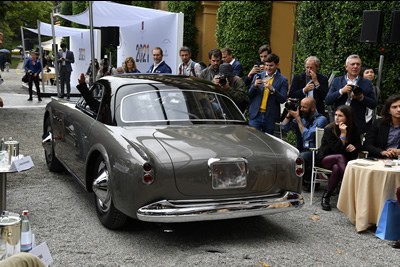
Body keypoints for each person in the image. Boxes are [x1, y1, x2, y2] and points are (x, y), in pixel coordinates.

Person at [316, 105, 361, 211]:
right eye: (336, 115)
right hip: (325, 159)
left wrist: (355, 146)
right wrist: (343, 134)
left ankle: (326, 197)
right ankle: (353, 184)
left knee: (336, 168)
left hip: (341, 163)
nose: (336, 118)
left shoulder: (353, 128)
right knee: (339, 157)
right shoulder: (329, 129)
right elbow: (337, 150)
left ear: (348, 118)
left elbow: (359, 145)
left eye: (340, 116)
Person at [281, 97, 328, 190]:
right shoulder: (303, 118)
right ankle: (298, 180)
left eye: (304, 107)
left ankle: (309, 180)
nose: (301, 109)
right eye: (300, 106)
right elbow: (284, 127)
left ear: (313, 108)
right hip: (304, 149)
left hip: (317, 151)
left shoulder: (321, 119)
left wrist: (298, 118)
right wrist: (289, 115)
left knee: (302, 156)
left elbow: (307, 136)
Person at [325, 54, 377, 137]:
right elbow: (328, 100)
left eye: (358, 64)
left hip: (357, 125)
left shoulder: (367, 83)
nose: (355, 66)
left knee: (354, 149)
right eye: (352, 64)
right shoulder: (337, 81)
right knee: (337, 148)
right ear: (346, 67)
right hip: (339, 123)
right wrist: (341, 91)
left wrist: (361, 98)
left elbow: (373, 104)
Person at [248, 53, 288, 134]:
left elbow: (283, 99)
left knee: (268, 142)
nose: (268, 68)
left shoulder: (283, 80)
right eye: (266, 65)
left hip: (270, 117)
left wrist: (272, 89)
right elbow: (250, 95)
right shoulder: (258, 76)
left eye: (271, 65)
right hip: (256, 115)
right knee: (252, 139)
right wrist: (254, 86)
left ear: (277, 65)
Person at [363, 94, 400, 159]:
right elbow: (367, 144)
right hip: (379, 158)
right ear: (389, 111)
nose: (399, 110)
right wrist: (382, 152)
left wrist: (398, 151)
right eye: (394, 107)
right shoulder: (379, 123)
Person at [361, 66, 380, 132]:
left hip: (371, 115)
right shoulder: (358, 86)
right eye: (367, 72)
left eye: (371, 72)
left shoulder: (375, 89)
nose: (370, 74)